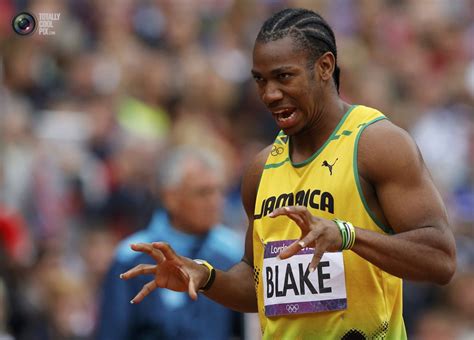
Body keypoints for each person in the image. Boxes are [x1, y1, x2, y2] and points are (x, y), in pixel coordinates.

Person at [119, 8, 457, 339]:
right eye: (260, 80)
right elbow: (257, 286)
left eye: (283, 77)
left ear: (325, 67)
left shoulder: (376, 144)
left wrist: (348, 236)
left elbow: (440, 259)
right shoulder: (261, 169)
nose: (269, 94)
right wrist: (206, 277)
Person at [97, 146, 243, 340]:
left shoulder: (233, 253)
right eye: (203, 193)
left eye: (219, 192)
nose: (216, 202)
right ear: (171, 198)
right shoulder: (130, 256)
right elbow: (112, 332)